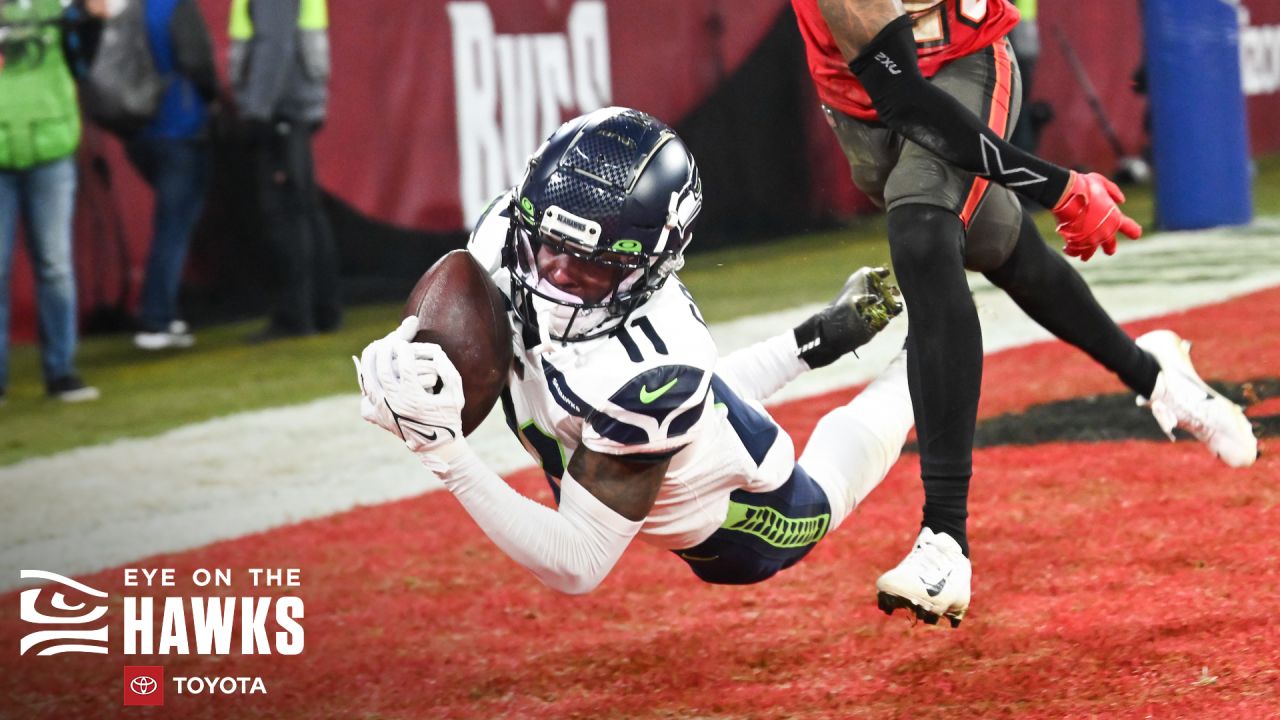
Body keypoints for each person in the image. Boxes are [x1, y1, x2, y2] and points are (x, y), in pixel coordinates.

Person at [790, 0, 1257, 626]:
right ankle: (1158, 375)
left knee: (923, 232)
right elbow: (907, 103)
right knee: (1005, 249)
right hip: (866, 103)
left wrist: (1057, 185)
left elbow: (921, 104)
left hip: (963, 60)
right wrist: (1060, 186)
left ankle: (945, 539)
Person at [355, 108, 921, 600]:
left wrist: (447, 454)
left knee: (828, 484)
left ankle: (925, 356)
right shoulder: (505, 232)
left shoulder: (655, 367)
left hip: (738, 518)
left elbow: (577, 564)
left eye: (593, 262)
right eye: (551, 243)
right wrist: (405, 359)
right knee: (679, 403)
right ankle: (818, 337)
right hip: (658, 416)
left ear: (649, 268)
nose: (556, 271)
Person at [0, 0, 105, 404]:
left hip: (52, 146)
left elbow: (84, 62)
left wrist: (93, 21)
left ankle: (61, 371)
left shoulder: (60, 5)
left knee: (56, 266)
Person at [228, 0, 340, 341]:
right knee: (305, 210)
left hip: (281, 107)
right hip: (295, 102)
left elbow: (275, 44)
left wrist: (258, 110)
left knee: (286, 214)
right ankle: (324, 311)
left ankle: (296, 315)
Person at [127, 0, 219, 351]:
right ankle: (156, 317)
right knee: (174, 226)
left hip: (140, 126)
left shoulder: (133, 10)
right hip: (180, 125)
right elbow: (197, 62)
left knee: (171, 224)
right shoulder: (175, 7)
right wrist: (213, 98)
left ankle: (160, 311)